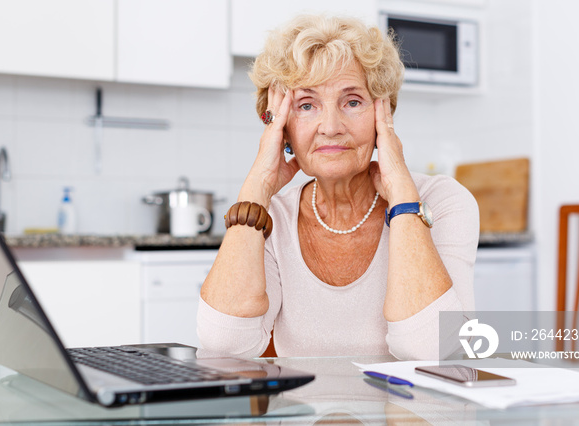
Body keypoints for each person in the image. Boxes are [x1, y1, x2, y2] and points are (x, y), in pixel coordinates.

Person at [197, 14, 479, 360]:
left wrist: (403, 198)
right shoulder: (272, 218)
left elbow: (438, 349)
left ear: (383, 114)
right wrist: (258, 185)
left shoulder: (442, 201)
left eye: (353, 102)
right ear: (281, 128)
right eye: (306, 105)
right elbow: (224, 346)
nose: (330, 127)